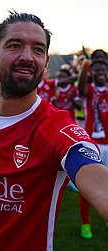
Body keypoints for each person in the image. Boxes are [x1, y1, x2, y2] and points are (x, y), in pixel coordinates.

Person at [0, 12, 108, 251]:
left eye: (38, 50)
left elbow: (97, 180)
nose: (27, 57)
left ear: (46, 62)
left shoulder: (56, 128)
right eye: (14, 46)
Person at [78, 59, 108, 239]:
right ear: (91, 74)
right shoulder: (88, 91)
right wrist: (85, 66)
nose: (101, 73)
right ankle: (85, 223)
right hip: (92, 145)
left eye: (104, 70)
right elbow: (81, 86)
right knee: (88, 186)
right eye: (96, 71)